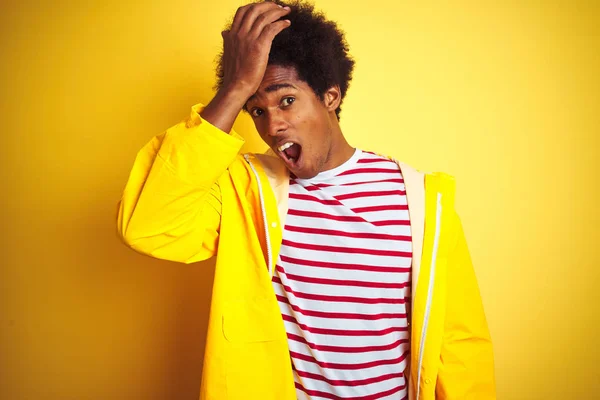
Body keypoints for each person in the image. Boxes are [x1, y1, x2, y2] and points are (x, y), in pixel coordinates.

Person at [117, 1, 495, 399]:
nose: (273, 125)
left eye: (286, 101)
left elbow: (459, 345)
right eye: (256, 110)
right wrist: (234, 87)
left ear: (330, 96)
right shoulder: (247, 192)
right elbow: (147, 225)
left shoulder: (420, 200)